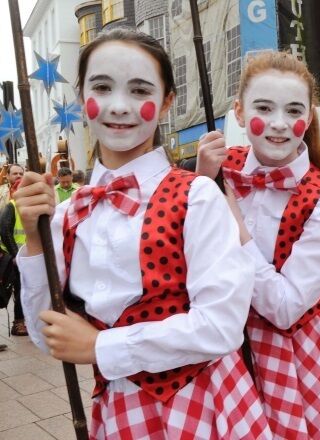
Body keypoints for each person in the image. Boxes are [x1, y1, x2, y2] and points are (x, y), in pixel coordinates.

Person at [14, 28, 271, 438]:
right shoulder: (67, 213)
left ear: (167, 101)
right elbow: (52, 337)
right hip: (120, 411)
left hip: (207, 406)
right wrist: (32, 236)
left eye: (139, 90)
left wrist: (102, 347)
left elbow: (221, 324)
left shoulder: (198, 196)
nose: (119, 106)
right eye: (102, 86)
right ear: (81, 97)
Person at [196, 51, 320, 439]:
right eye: (263, 107)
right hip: (222, 349)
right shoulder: (222, 171)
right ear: (239, 113)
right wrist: (201, 184)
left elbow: (286, 307)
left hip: (297, 359)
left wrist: (234, 226)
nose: (278, 123)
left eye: (293, 111)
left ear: (308, 119)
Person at [0, 181, 28, 337]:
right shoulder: (12, 206)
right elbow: (5, 231)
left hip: (28, 256)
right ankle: (18, 323)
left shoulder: (29, 207)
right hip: (16, 258)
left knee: (27, 290)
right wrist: (15, 254)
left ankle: (27, 321)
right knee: (19, 290)